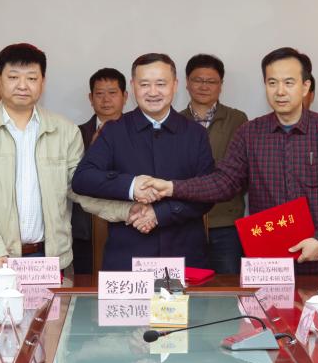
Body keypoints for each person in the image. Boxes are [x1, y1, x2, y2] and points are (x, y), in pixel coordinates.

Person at [137, 48, 318, 275]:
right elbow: (224, 182)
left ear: (305, 86)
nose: (280, 91)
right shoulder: (249, 133)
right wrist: (172, 187)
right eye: (272, 83)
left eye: (289, 83)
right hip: (272, 265)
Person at [0, 43, 133, 275]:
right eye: (13, 77)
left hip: (47, 261)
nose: (22, 85)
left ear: (42, 83)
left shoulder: (65, 131)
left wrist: (128, 211)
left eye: (31, 78)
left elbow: (83, 189)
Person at [71, 53, 215, 270]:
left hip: (184, 255)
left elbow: (208, 192)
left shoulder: (195, 134)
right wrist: (131, 185)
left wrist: (160, 214)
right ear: (133, 86)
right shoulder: (114, 131)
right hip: (127, 256)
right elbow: (83, 179)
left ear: (175, 85)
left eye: (161, 84)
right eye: (145, 84)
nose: (153, 92)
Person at [182, 54, 248, 274]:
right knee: (185, 285)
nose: (204, 86)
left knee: (228, 285)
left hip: (226, 222)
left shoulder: (237, 119)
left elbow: (245, 170)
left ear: (221, 85)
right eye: (197, 80)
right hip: (185, 222)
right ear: (187, 83)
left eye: (211, 81)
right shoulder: (175, 121)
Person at [71, 68, 129, 274]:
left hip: (129, 224)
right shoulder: (75, 133)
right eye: (99, 94)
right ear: (90, 98)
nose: (106, 100)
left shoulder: (139, 132)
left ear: (125, 96)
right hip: (85, 228)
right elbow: (72, 178)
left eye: (112, 93)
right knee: (85, 283)